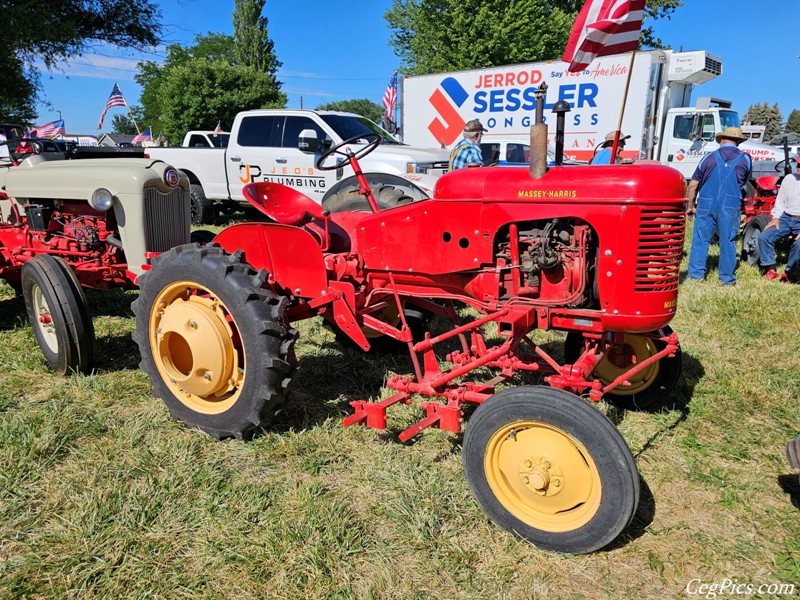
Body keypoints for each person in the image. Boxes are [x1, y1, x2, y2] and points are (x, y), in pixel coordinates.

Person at [686, 126, 752, 286]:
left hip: (706, 203)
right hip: (730, 204)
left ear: (722, 140)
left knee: (701, 239)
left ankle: (695, 276)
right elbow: (744, 182)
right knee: (728, 239)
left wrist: (690, 206)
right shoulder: (746, 159)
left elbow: (693, 185)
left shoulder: (707, 158)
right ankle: (727, 279)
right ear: (738, 142)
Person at [758, 158, 800, 282]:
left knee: (799, 244)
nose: (798, 167)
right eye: (798, 164)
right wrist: (776, 217)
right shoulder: (789, 178)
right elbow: (780, 200)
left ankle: (789, 272)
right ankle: (771, 268)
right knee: (764, 237)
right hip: (786, 218)